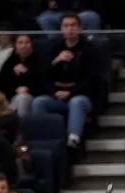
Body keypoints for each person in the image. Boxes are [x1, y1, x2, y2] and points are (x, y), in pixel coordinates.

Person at [32, 12, 97, 149]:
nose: (70, 29)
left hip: (81, 95)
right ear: (61, 29)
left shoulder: (89, 49)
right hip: (57, 95)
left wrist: (71, 92)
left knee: (76, 102)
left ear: (80, 28)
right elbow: (43, 75)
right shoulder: (53, 48)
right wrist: (56, 61)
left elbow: (91, 79)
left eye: (73, 25)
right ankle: (44, 139)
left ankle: (73, 140)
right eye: (66, 26)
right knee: (39, 102)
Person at [0, 33, 44, 119]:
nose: (24, 45)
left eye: (27, 42)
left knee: (22, 98)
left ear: (31, 45)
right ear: (15, 46)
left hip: (32, 96)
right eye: (20, 43)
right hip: (11, 96)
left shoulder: (39, 60)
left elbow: (42, 83)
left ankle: (22, 129)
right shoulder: (11, 60)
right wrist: (13, 90)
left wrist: (27, 75)